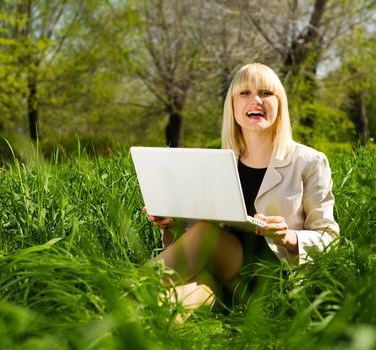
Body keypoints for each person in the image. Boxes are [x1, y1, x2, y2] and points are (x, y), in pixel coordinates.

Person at [145, 63, 339, 314]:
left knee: (206, 235)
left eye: (266, 93)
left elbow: (330, 239)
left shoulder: (309, 162)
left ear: (280, 104)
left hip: (274, 278)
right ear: (233, 106)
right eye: (244, 93)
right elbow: (195, 229)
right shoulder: (218, 162)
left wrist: (288, 236)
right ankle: (112, 318)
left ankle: (116, 287)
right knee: (173, 301)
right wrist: (172, 220)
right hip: (226, 277)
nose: (256, 100)